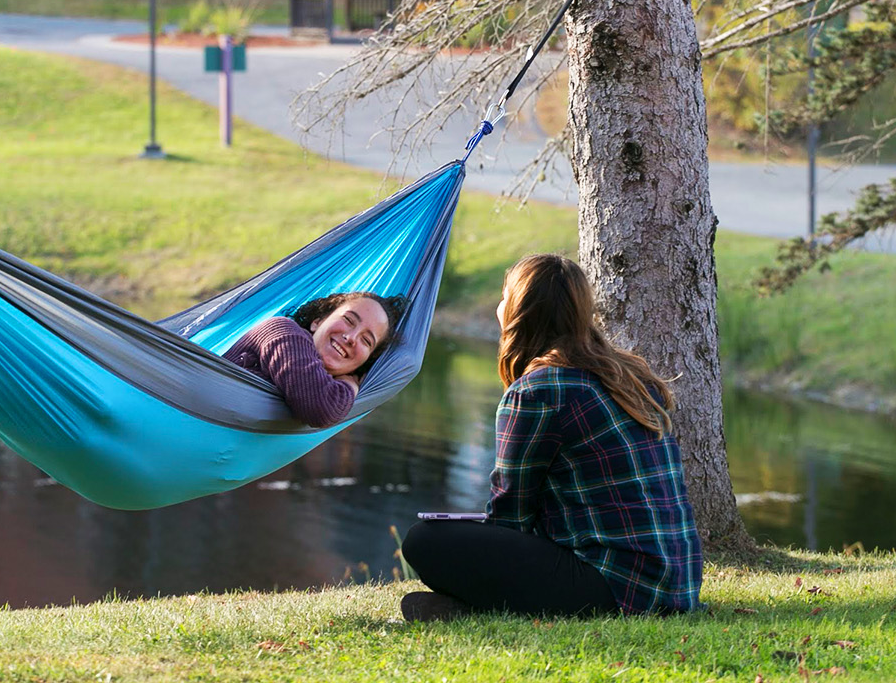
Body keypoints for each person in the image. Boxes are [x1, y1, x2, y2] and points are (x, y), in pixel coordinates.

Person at [400, 254, 703, 620]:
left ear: (517, 312)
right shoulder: (630, 375)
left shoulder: (538, 391)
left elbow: (510, 515)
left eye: (503, 298)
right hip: (676, 584)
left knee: (425, 541)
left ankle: (474, 609)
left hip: (618, 588)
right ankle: (468, 608)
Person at [223, 291, 405, 429]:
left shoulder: (319, 386)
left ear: (364, 362)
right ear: (317, 322)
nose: (351, 338)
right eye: (349, 320)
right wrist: (350, 386)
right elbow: (321, 408)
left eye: (366, 340)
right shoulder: (282, 330)